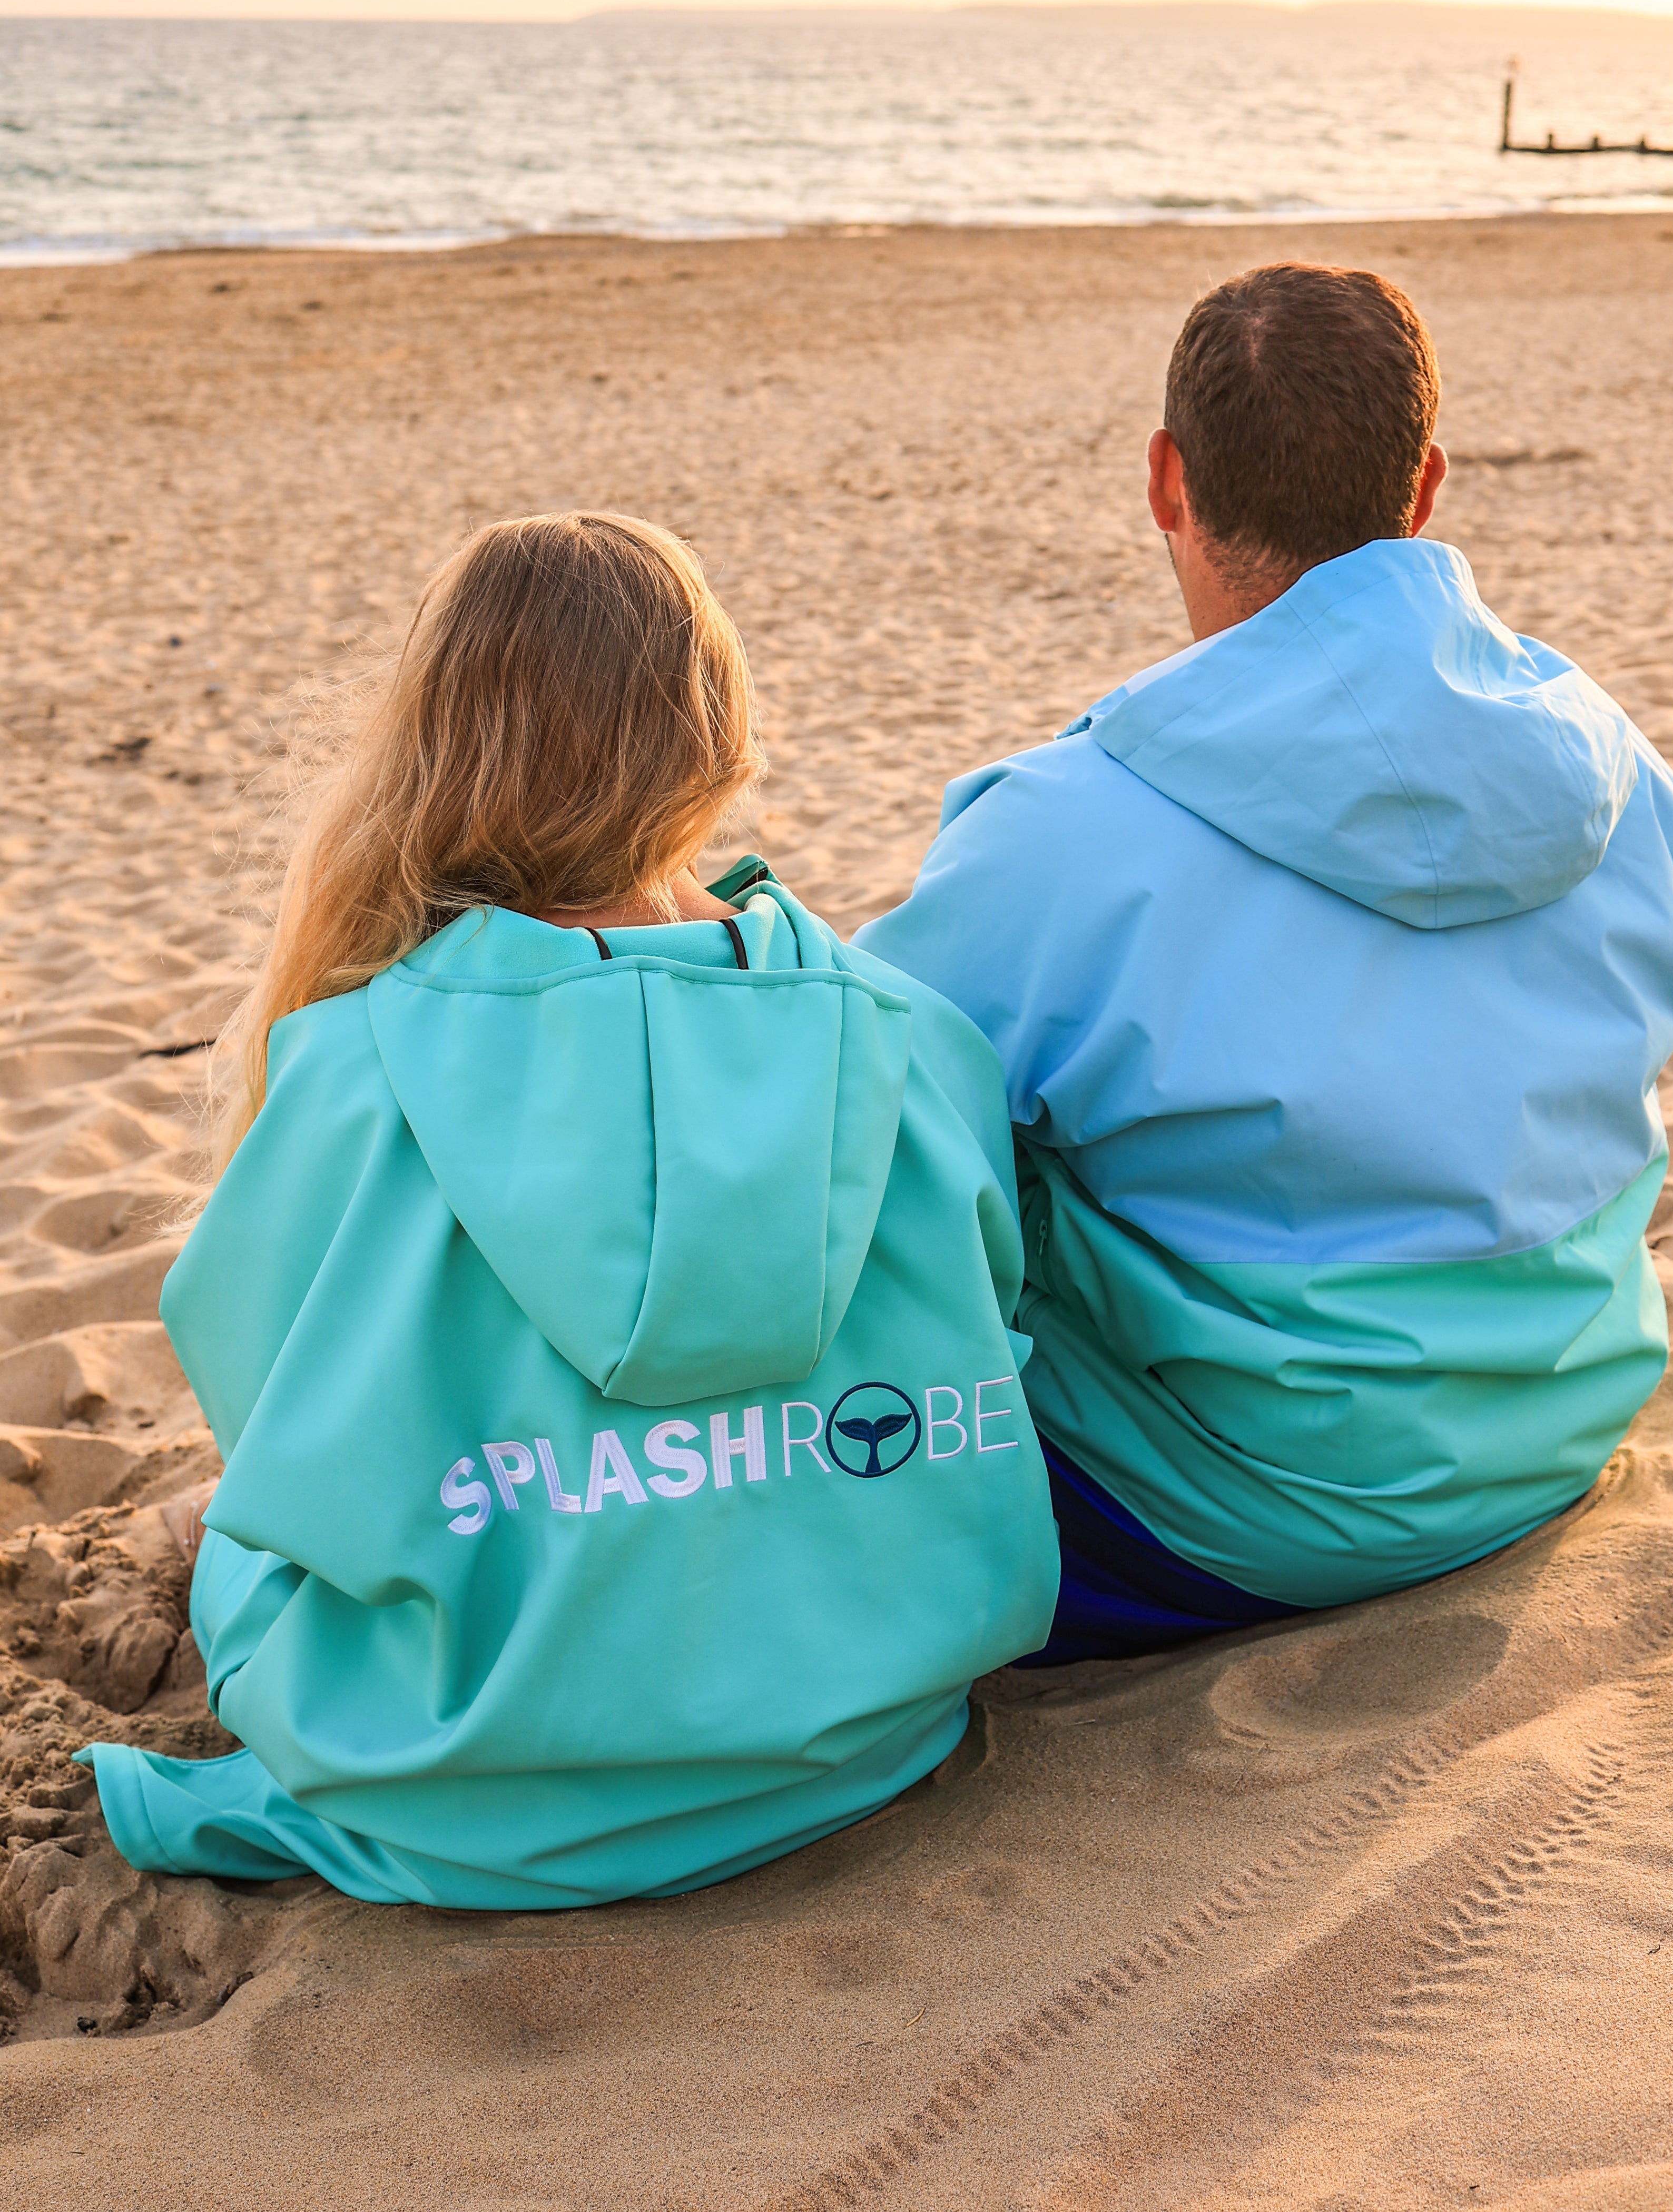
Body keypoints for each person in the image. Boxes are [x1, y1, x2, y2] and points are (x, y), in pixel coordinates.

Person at [81, 515, 1059, 1906]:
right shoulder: (907, 1034)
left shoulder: (352, 1069)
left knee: (238, 1522)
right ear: (717, 738)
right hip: (867, 1718)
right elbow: (987, 1317)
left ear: (440, 738)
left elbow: (274, 1416)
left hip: (465, 1779)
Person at [857, 262, 1673, 1663]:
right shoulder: (1621, 771)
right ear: (1425, 487)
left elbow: (858, 1127)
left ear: (1165, 484)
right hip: (1557, 1424)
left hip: (1235, 1521)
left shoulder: (1062, 835)